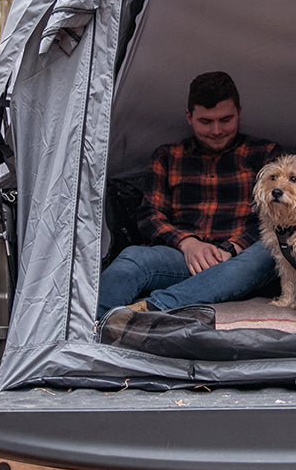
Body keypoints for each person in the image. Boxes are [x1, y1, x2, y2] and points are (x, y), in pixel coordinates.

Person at [98, 71, 280, 316]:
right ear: (189, 117)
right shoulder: (168, 156)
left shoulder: (266, 154)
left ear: (239, 112)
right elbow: (149, 216)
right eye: (205, 121)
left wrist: (232, 247)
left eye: (226, 119)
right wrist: (188, 243)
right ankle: (89, 327)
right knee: (133, 258)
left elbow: (278, 217)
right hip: (183, 257)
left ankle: (151, 310)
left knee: (270, 251)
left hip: (242, 260)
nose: (216, 130)